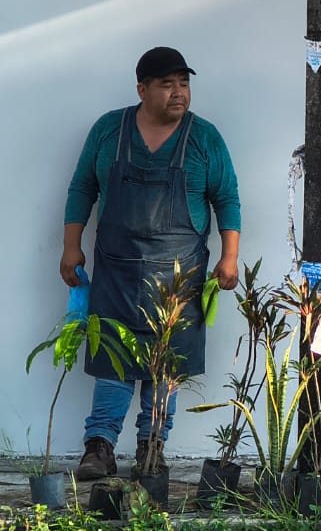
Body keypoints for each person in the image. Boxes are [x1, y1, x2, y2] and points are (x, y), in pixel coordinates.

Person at [60, 47, 240, 479]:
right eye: (167, 84)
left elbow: (226, 198)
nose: (179, 93)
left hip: (180, 276)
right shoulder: (109, 130)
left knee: (166, 363)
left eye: (184, 83)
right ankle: (99, 447)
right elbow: (82, 187)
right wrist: (70, 246)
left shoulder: (204, 138)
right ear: (142, 89)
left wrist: (230, 257)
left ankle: (152, 446)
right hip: (116, 272)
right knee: (112, 358)